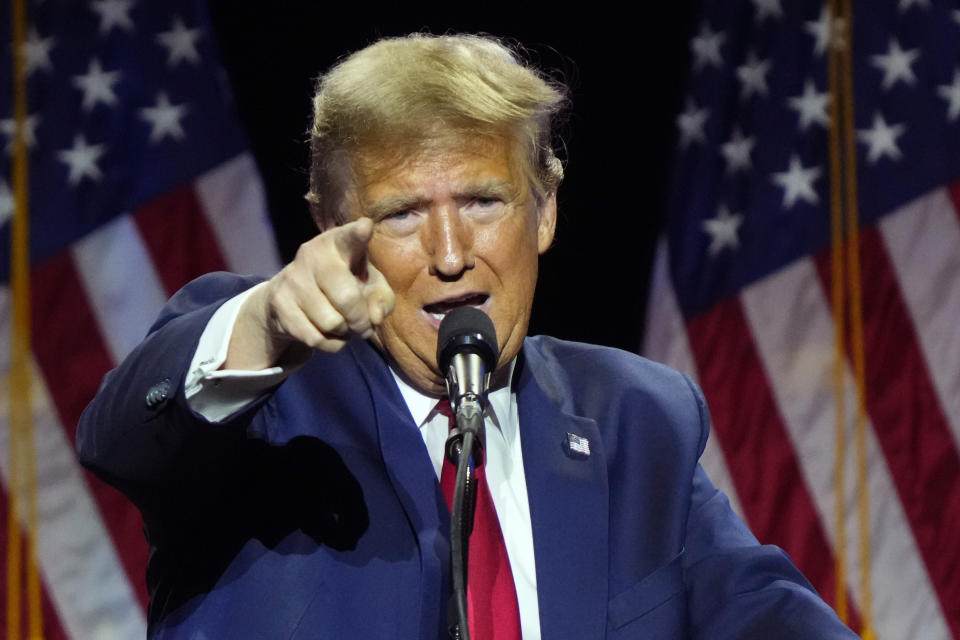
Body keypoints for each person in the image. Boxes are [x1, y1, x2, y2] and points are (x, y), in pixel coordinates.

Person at [77, 33, 859, 639]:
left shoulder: (637, 420)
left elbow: (764, 610)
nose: (451, 255)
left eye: (484, 202)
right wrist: (266, 319)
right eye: (402, 213)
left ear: (544, 211)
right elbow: (120, 440)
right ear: (332, 227)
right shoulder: (268, 404)